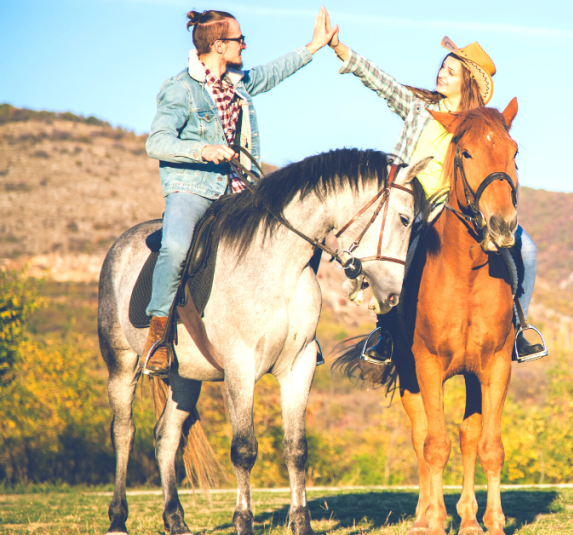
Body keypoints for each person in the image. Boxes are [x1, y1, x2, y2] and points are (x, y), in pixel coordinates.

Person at [141, 8, 339, 377]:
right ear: (218, 45)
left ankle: (301, 334)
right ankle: (158, 334)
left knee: (297, 234)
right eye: (239, 40)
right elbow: (158, 142)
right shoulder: (179, 88)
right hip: (193, 188)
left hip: (240, 188)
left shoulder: (238, 82)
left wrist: (315, 46)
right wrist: (203, 150)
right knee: (177, 247)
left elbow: (272, 73)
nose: (245, 45)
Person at [329, 32, 546, 361]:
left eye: (450, 70)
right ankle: (386, 331)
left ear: (467, 81)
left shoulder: (479, 124)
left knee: (526, 248)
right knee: (389, 254)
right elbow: (382, 82)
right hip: (414, 205)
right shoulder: (419, 109)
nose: (441, 73)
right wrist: (340, 49)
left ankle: (518, 329)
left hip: (466, 210)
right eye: (442, 67)